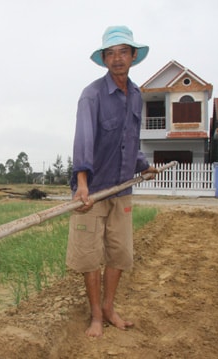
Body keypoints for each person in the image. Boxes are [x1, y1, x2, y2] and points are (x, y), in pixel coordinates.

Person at [66, 25, 158, 338]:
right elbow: (83, 140)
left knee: (119, 253)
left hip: (122, 189)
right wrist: (81, 183)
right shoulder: (91, 95)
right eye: (110, 53)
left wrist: (144, 166)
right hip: (91, 191)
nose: (117, 58)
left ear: (133, 56)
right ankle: (95, 315)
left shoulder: (136, 96)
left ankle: (108, 307)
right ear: (104, 59)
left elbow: (131, 138)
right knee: (90, 256)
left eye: (123, 52)